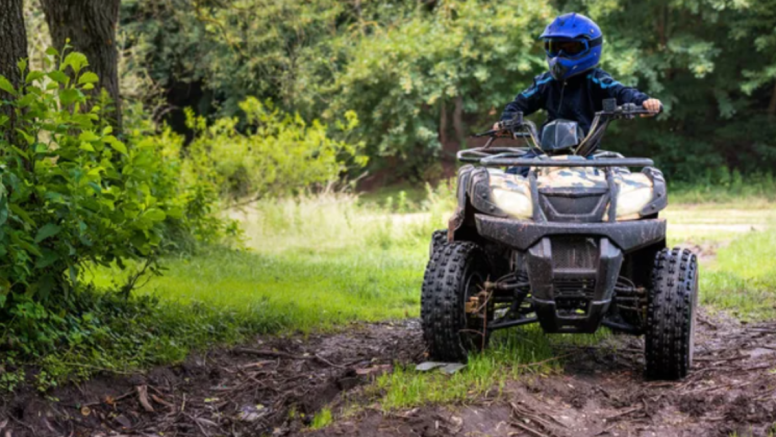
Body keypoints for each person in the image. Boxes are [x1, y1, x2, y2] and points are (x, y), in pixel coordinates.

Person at [493, 13, 662, 148]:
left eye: (570, 48)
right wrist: (506, 122)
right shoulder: (545, 82)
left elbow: (620, 91)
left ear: (591, 47)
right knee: (513, 176)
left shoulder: (596, 79)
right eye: (555, 47)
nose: (560, 55)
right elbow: (519, 104)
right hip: (545, 154)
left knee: (619, 183)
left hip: (586, 154)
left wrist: (645, 101)